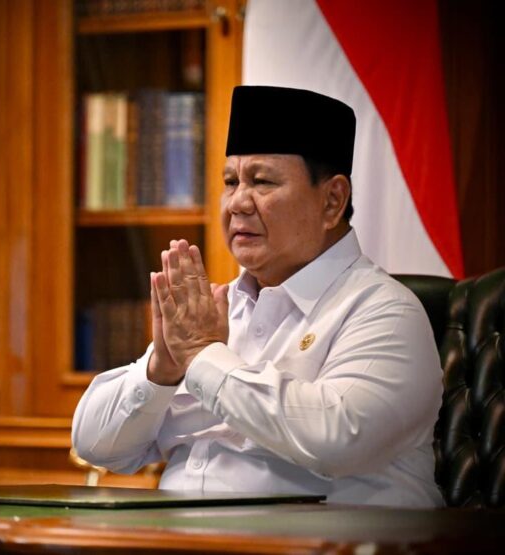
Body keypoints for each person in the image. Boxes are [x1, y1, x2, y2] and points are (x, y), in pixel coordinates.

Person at [72, 86, 444, 507]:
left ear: (332, 201)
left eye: (261, 181)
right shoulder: (215, 311)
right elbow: (94, 444)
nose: (237, 203)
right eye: (230, 182)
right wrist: (162, 368)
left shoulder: (384, 312)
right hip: (175, 536)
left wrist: (204, 356)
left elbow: (336, 440)